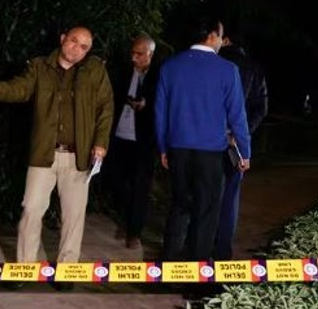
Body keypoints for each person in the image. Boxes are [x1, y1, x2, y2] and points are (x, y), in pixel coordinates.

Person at [0, 26, 113, 264]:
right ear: (63, 38)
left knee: (74, 216)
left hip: (79, 157)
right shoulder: (39, 67)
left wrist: (101, 143)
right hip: (44, 153)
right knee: (31, 210)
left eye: (84, 47)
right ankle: (24, 267)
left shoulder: (94, 70)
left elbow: (105, 108)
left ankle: (68, 270)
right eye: (74, 41)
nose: (77, 49)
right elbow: (20, 88)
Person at [154, 14, 250, 261]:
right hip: (211, 154)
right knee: (206, 213)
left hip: (178, 150)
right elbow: (237, 116)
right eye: (221, 36)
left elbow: (160, 112)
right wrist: (244, 152)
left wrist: (163, 148)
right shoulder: (228, 70)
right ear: (212, 36)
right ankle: (196, 280)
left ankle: (169, 268)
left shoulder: (170, 66)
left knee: (179, 207)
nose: (222, 42)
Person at [214, 32, 268, 259]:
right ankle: (222, 252)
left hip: (210, 141)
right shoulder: (255, 69)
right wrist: (242, 133)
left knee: (205, 195)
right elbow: (261, 108)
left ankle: (199, 250)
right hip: (236, 145)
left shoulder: (216, 64)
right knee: (230, 198)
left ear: (225, 40)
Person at [105, 34, 158, 250]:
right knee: (114, 180)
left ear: (150, 54)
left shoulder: (159, 75)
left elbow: (164, 102)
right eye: (132, 53)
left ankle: (133, 232)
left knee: (140, 187)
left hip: (143, 140)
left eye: (139, 54)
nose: (134, 58)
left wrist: (147, 103)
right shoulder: (123, 71)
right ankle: (127, 217)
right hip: (119, 136)